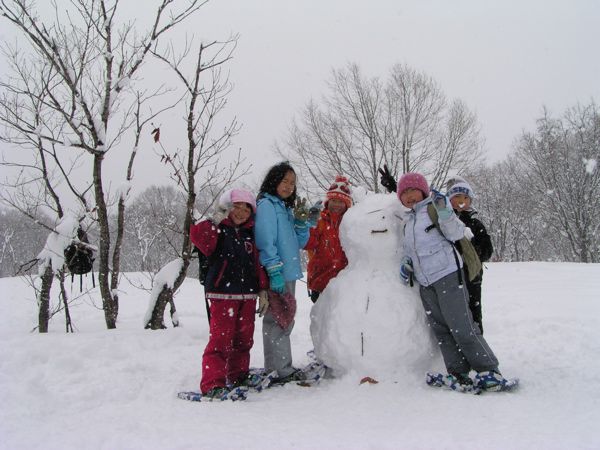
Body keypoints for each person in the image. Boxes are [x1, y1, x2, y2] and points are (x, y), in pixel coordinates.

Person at [397, 172, 510, 390]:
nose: (410, 196)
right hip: (426, 283)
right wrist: (406, 263)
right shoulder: (407, 221)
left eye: (413, 190)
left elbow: (457, 232)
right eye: (405, 193)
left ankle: (488, 369)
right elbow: (410, 249)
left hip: (447, 274)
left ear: (423, 191)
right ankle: (457, 372)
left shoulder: (434, 209)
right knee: (442, 329)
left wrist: (446, 213)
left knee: (462, 326)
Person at [190, 188, 269, 400]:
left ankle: (238, 374)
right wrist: (215, 219)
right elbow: (199, 238)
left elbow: (258, 264)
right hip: (222, 295)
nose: (242, 212)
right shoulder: (218, 229)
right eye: (237, 206)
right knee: (220, 341)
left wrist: (262, 289)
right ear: (228, 207)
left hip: (247, 296)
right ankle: (212, 383)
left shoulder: (251, 234)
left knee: (244, 340)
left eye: (246, 208)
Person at [254, 162, 312, 384]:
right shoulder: (267, 205)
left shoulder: (285, 208)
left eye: (292, 183)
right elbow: (265, 240)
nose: (289, 186)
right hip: (276, 272)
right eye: (285, 181)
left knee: (284, 320)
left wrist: (302, 223)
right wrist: (273, 269)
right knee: (278, 320)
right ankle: (280, 370)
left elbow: (301, 242)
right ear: (274, 180)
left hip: (288, 273)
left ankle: (279, 367)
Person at [446, 179, 493, 333]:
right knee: (455, 313)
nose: (461, 201)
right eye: (457, 197)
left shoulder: (475, 223)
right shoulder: (444, 220)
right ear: (449, 199)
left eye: (466, 198)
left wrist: (476, 249)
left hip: (472, 276)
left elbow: (487, 251)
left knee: (474, 312)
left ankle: (478, 340)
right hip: (451, 276)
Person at [305, 175, 353, 303]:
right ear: (328, 202)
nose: (336, 205)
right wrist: (310, 225)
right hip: (320, 281)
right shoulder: (320, 221)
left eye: (340, 201)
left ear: (346, 204)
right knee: (322, 319)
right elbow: (309, 244)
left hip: (344, 282)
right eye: (333, 201)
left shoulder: (351, 221)